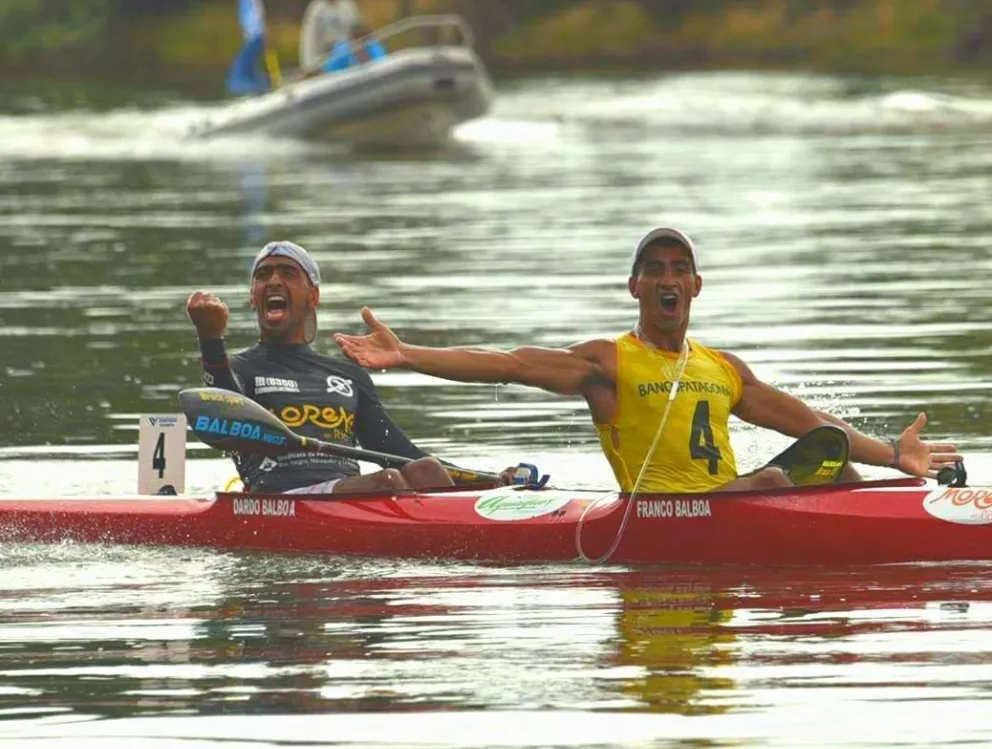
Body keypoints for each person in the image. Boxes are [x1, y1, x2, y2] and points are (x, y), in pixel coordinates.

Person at [333, 227, 962, 494]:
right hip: (661, 513)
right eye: (655, 270)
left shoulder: (724, 369)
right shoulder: (608, 363)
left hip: (730, 505)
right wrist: (407, 353)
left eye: (679, 270)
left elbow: (801, 420)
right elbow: (508, 364)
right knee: (775, 481)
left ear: (695, 286)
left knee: (832, 461)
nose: (668, 279)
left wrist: (892, 454)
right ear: (635, 287)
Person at [186, 241, 460, 496]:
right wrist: (210, 340)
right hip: (279, 499)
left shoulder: (349, 376)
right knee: (387, 481)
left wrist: (490, 481)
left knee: (427, 470)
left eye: (288, 273)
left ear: (313, 296)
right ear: (252, 297)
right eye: (264, 275)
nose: (274, 282)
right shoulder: (237, 368)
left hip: (347, 492)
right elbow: (226, 428)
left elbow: (399, 452)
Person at [299, 0, 361, 71]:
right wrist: (309, 67)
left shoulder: (348, 5)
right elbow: (309, 38)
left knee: (369, 46)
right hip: (326, 59)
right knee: (341, 50)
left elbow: (358, 33)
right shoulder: (316, 9)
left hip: (351, 55)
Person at [323, 23, 387, 73]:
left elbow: (379, 66)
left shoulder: (374, 46)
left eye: (361, 38)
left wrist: (361, 53)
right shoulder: (343, 49)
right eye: (354, 38)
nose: (358, 42)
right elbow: (330, 69)